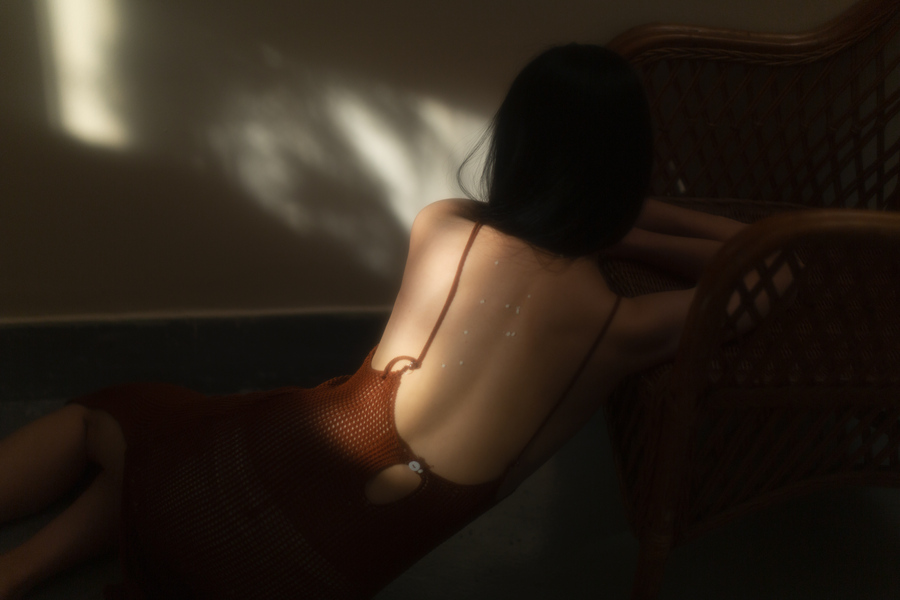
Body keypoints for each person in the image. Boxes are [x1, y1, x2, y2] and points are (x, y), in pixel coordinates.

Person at [0, 44, 755, 599]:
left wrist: (599, 218)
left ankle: (21, 569)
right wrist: (627, 226)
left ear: (519, 145)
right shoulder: (625, 328)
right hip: (305, 583)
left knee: (133, 419)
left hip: (233, 478)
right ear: (624, 175)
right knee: (180, 457)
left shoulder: (445, 225)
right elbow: (769, 266)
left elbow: (523, 216)